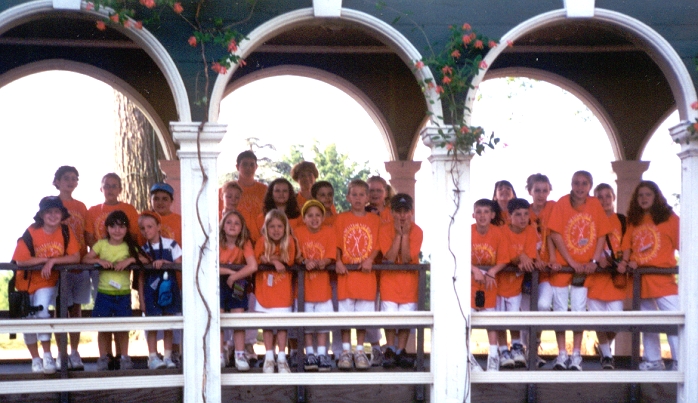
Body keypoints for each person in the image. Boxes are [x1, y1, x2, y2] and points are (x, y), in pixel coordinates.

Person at [547, 171, 610, 371]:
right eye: (576, 183)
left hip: (583, 268)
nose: (580, 187)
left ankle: (576, 355)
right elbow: (555, 234)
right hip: (564, 265)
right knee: (559, 310)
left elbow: (601, 235)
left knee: (578, 310)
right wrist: (571, 261)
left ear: (590, 186)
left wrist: (594, 260)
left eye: (584, 183)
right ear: (571, 184)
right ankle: (561, 354)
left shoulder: (594, 204)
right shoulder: (562, 203)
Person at [12, 197, 80, 374]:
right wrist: (45, 260)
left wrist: (53, 261)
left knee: (42, 313)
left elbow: (75, 256)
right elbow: (21, 260)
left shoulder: (65, 231)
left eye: (57, 211)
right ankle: (35, 359)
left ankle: (47, 355)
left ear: (62, 214)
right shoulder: (31, 231)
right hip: (25, 283)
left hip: (47, 281)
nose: (53, 215)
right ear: (41, 215)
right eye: (48, 212)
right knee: (28, 320)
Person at [619, 181, 679, 371]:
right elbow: (626, 245)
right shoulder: (634, 220)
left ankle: (681, 360)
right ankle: (653, 360)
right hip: (640, 280)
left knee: (674, 322)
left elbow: (685, 246)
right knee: (648, 323)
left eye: (648, 194)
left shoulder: (670, 219)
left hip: (663, 279)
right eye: (640, 195)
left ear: (656, 197)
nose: (644, 198)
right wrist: (625, 261)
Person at [83, 210, 148, 371]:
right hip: (104, 293)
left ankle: (124, 357)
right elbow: (85, 259)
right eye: (113, 226)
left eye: (121, 226)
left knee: (123, 328)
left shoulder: (129, 246)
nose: (117, 230)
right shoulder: (101, 244)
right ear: (107, 228)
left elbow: (146, 259)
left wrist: (130, 260)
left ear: (127, 229)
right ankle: (103, 357)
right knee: (103, 327)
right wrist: (99, 261)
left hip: (123, 294)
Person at [334, 179, 381, 371]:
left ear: (368, 197)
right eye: (354, 194)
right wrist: (337, 261)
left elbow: (378, 244)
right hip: (346, 275)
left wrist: (370, 259)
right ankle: (346, 351)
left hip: (366, 276)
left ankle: (360, 350)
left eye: (362, 195)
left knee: (363, 317)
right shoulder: (341, 219)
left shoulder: (375, 220)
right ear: (348, 197)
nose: (358, 198)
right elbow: (336, 243)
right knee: (345, 317)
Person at [583, 184, 628, 370]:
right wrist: (595, 259)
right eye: (600, 197)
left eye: (608, 196)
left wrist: (624, 261)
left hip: (615, 277)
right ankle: (607, 356)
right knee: (598, 319)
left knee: (617, 320)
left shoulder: (622, 220)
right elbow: (582, 246)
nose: (604, 200)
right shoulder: (589, 221)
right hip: (596, 278)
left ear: (614, 197)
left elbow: (628, 244)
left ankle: (603, 346)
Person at [378, 194, 423, 369]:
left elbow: (406, 258)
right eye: (398, 211)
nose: (402, 215)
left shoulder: (417, 231)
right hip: (389, 281)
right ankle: (390, 348)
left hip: (409, 282)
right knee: (390, 317)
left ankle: (400, 350)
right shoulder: (384, 229)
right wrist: (398, 234)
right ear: (392, 212)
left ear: (412, 212)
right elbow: (389, 257)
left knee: (406, 319)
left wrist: (404, 235)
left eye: (406, 211)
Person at [53, 166, 90, 370]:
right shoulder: (52, 203)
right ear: (57, 181)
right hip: (60, 264)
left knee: (76, 309)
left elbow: (87, 234)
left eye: (74, 178)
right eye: (66, 178)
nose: (70, 181)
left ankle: (74, 352)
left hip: (80, 263)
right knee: (60, 309)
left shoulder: (81, 206)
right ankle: (61, 353)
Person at [85, 173, 140, 304]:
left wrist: (124, 255)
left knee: (121, 296)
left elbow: (133, 235)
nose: (110, 189)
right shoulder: (92, 211)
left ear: (120, 189)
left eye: (114, 186)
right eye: (107, 186)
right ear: (101, 189)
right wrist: (102, 255)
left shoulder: (129, 209)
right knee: (100, 297)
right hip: (100, 261)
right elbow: (89, 236)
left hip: (122, 260)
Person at [137, 210, 182, 370]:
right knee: (153, 324)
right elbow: (140, 277)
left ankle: (168, 356)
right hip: (150, 292)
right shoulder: (142, 250)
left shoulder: (172, 244)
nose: (146, 231)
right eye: (143, 228)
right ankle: (153, 357)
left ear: (158, 226)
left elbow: (180, 264)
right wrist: (141, 299)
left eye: (150, 226)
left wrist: (165, 262)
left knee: (168, 323)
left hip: (169, 289)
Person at [254, 209, 297, 374]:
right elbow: (258, 258)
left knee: (281, 326)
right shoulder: (261, 241)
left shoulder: (289, 241)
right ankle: (269, 358)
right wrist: (273, 261)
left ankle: (281, 358)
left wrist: (271, 259)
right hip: (265, 289)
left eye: (280, 226)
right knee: (267, 325)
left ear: (285, 228)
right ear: (266, 227)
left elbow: (289, 260)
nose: (276, 230)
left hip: (283, 291)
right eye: (272, 226)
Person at [295, 200, 336, 372]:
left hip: (322, 287)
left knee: (323, 323)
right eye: (310, 215)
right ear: (304, 218)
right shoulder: (298, 232)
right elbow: (295, 254)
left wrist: (323, 261)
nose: (314, 219)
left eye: (318, 215)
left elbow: (331, 255)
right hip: (304, 288)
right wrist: (305, 261)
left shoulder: (329, 232)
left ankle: (322, 354)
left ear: (323, 217)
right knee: (307, 325)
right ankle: (310, 353)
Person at [470, 199, 510, 372]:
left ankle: (493, 356)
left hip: (489, 282)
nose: (482, 216)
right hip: (470, 282)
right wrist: (474, 269)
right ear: (473, 215)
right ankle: (467, 357)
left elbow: (504, 259)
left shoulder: (498, 233)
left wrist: (492, 271)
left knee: (491, 320)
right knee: (467, 319)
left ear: (492, 215)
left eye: (486, 212)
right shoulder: (468, 232)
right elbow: (457, 255)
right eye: (478, 212)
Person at [497, 198, 537, 369]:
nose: (523, 218)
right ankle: (502, 350)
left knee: (514, 317)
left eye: (526, 214)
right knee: (498, 319)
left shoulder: (530, 232)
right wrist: (520, 257)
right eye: (518, 214)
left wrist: (523, 259)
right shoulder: (501, 231)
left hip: (515, 285)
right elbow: (506, 256)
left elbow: (530, 257)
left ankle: (516, 347)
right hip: (497, 284)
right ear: (509, 216)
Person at [149, 182, 184, 365]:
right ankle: (153, 355)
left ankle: (173, 353)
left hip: (174, 277)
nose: (160, 202)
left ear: (171, 201)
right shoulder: (146, 220)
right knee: (152, 316)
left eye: (164, 199)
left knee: (174, 315)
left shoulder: (180, 220)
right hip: (151, 278)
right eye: (156, 198)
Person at [219, 210, 258, 371]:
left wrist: (234, 276)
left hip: (238, 281)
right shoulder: (217, 242)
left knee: (238, 317)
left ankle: (240, 354)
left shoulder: (245, 243)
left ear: (242, 227)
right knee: (218, 318)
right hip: (219, 281)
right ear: (222, 225)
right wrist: (230, 272)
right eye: (228, 222)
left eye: (236, 223)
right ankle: (220, 354)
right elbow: (211, 265)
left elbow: (252, 266)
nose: (232, 226)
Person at [526, 173, 556, 368]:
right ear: (530, 191)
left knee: (543, 306)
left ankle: (534, 347)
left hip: (546, 270)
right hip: (527, 271)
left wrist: (551, 258)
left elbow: (554, 234)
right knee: (524, 312)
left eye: (545, 190)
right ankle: (527, 352)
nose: (541, 194)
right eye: (537, 190)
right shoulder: (524, 211)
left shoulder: (554, 208)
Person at [364, 175, 394, 364]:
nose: (375, 194)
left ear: (386, 192)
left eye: (378, 190)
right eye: (371, 190)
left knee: (391, 308)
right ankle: (375, 348)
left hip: (390, 267)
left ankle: (393, 350)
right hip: (370, 268)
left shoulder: (393, 212)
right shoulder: (362, 212)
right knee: (371, 308)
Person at [234, 151, 268, 235]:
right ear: (237, 167)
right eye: (244, 164)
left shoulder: (265, 191)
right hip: (235, 237)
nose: (248, 168)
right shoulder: (228, 191)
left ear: (256, 167)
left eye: (252, 165)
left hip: (260, 237)